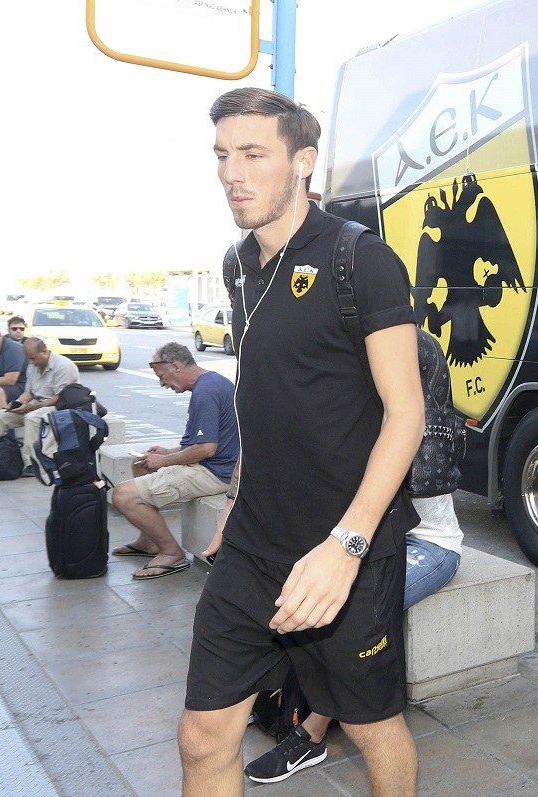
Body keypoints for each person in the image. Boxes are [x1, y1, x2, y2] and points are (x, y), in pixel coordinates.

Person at [178, 87, 424, 797]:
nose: (232, 173)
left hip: (346, 549)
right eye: (223, 155)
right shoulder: (237, 265)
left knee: (374, 729)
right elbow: (265, 399)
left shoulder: (361, 259)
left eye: (254, 154)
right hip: (253, 546)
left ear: (303, 161)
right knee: (202, 737)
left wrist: (347, 546)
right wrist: (235, 499)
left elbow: (405, 412)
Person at [243, 493, 463, 783]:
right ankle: (259, 698)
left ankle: (311, 735)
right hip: (369, 542)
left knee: (344, 613)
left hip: (428, 543)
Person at [110, 343, 237, 580]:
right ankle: (148, 541)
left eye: (162, 376)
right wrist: (167, 453)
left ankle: (171, 553)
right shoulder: (211, 383)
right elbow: (206, 441)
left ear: (176, 367)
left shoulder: (206, 392)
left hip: (216, 473)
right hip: (214, 464)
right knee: (140, 465)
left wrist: (164, 462)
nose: (162, 383)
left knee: (123, 496)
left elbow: (206, 449)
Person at [0, 337, 79, 477]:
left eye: (33, 358)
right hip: (37, 403)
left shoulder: (63, 366)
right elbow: (29, 392)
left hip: (59, 407)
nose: (31, 362)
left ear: (44, 352)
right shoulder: (33, 365)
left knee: (31, 418)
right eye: (28, 359)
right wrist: (17, 403)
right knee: (1, 416)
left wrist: (31, 407)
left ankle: (31, 463)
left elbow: (60, 398)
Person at [0, 319, 27, 408]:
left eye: (21, 329)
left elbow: (10, 380)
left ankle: (2, 415)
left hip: (20, 386)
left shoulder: (13, 349)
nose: (18, 331)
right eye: (14, 328)